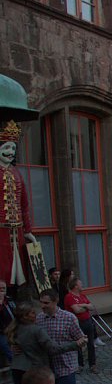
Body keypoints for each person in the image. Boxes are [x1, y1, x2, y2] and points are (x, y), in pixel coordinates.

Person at [7, 300, 85, 384]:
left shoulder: (15, 328)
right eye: (33, 313)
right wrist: (75, 344)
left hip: (18, 370)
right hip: (34, 372)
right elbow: (53, 349)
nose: (35, 314)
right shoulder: (36, 330)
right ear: (25, 316)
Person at [0, 120, 37, 286]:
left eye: (13, 148)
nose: (10, 152)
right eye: (7, 147)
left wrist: (27, 230)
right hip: (1, 231)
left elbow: (24, 205)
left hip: (17, 231)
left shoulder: (17, 173)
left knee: (18, 272)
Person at [64, 277, 98, 374]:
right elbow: (77, 310)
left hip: (87, 321)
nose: (82, 285)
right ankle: (79, 365)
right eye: (80, 284)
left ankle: (92, 364)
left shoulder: (82, 296)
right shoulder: (69, 297)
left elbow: (92, 307)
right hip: (77, 323)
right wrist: (86, 307)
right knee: (78, 344)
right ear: (75, 286)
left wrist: (84, 305)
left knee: (91, 344)